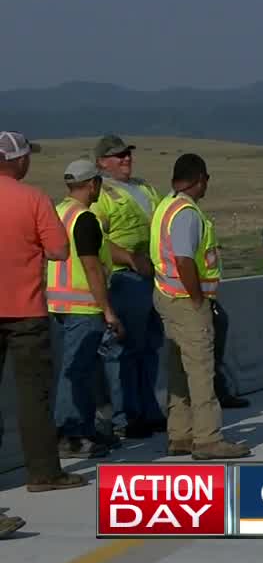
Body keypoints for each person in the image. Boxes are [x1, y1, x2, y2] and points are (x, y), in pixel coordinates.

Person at [0, 132, 88, 518]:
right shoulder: (33, 199)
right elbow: (58, 250)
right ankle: (43, 472)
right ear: (18, 161)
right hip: (26, 311)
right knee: (33, 395)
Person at [149, 153, 250, 460]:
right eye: (206, 180)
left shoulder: (165, 205)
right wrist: (198, 300)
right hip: (185, 300)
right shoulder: (187, 213)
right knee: (201, 370)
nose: (207, 186)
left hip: (165, 294)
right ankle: (207, 439)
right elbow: (183, 260)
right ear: (198, 179)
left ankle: (180, 434)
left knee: (179, 368)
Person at [91, 134, 166, 440]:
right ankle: (126, 416)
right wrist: (131, 258)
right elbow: (95, 240)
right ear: (101, 163)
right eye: (118, 156)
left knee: (149, 347)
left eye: (127, 154)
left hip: (154, 277)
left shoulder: (146, 187)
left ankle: (148, 410)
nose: (125, 159)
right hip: (125, 278)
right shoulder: (101, 195)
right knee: (122, 351)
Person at [48, 159, 123, 459]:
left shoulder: (58, 213)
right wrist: (108, 310)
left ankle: (85, 428)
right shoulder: (85, 218)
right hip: (83, 305)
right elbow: (92, 267)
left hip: (58, 303)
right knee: (76, 371)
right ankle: (70, 435)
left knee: (82, 369)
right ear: (93, 184)